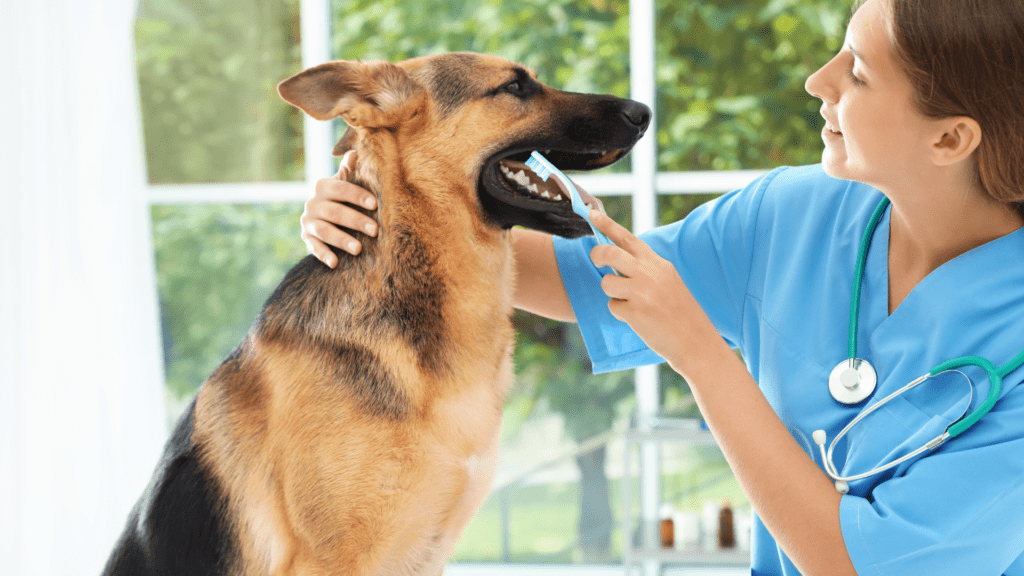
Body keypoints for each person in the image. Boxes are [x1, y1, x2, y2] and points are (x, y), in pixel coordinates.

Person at [297, 0, 1024, 573]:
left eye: (858, 72)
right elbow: (578, 280)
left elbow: (853, 565)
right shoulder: (796, 215)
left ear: (950, 139)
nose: (818, 81)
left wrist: (702, 357)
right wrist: (384, 212)